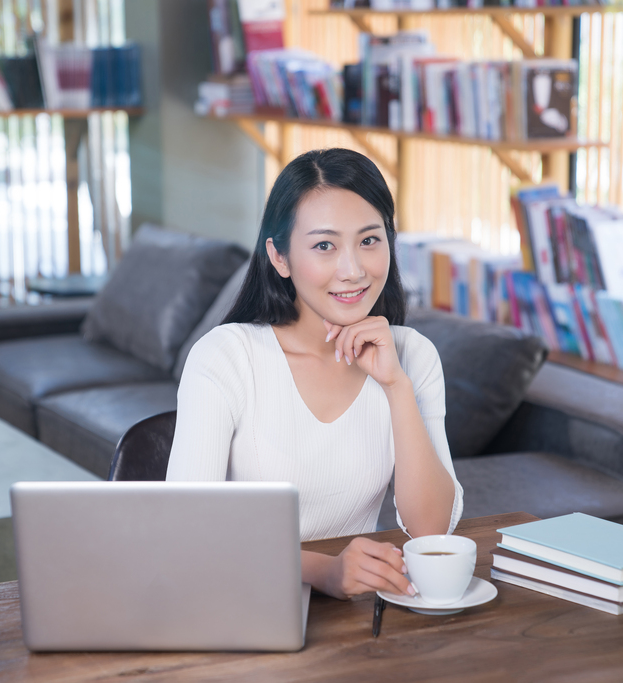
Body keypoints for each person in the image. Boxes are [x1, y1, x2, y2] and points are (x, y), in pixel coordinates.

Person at [166, 148, 463, 600]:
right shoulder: (226, 356)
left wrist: (396, 388)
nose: (353, 270)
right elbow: (189, 531)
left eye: (369, 240)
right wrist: (325, 572)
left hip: (358, 619)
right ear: (280, 258)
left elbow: (431, 531)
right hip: (239, 602)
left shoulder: (413, 357)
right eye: (324, 245)